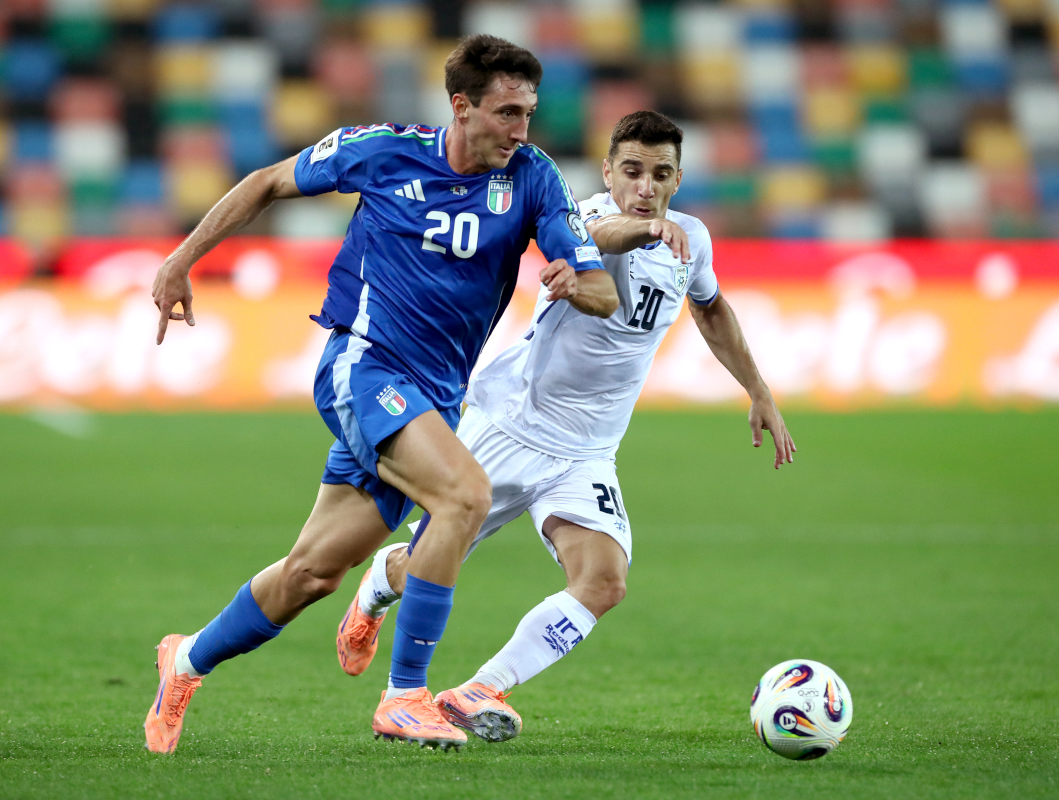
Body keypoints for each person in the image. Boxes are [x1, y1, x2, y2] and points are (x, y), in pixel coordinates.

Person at [144, 35, 648, 754]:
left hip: (436, 397)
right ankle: (406, 695)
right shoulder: (381, 151)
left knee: (313, 574)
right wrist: (181, 259)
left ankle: (185, 659)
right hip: (364, 366)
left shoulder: (533, 178)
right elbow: (265, 182)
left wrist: (582, 285)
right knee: (464, 497)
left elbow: (596, 282)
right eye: (506, 113)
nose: (520, 130)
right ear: (462, 106)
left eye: (529, 114)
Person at [336, 110, 796, 742]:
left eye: (660, 175)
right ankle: (373, 592)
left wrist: (758, 390)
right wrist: (641, 231)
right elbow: (600, 236)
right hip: (511, 425)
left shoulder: (692, 238)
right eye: (632, 171)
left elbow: (711, 310)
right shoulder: (577, 214)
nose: (644, 187)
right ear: (609, 172)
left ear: (678, 179)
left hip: (587, 452)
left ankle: (479, 689)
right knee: (427, 565)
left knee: (605, 582)